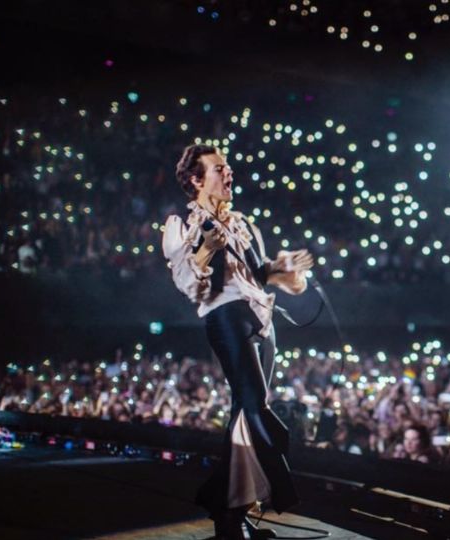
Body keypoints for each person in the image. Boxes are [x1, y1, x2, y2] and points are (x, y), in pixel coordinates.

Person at [161, 144, 314, 539]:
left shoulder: (242, 222)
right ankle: (280, 475)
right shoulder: (182, 225)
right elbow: (186, 283)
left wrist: (282, 269)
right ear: (196, 180)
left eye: (228, 167)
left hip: (261, 318)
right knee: (254, 405)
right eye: (219, 169)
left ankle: (230, 513)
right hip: (225, 315)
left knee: (242, 417)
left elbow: (257, 276)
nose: (229, 174)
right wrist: (206, 250)